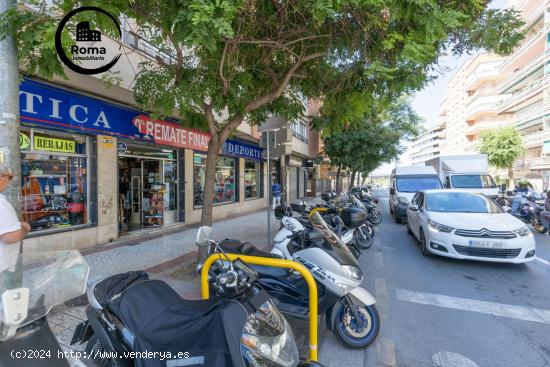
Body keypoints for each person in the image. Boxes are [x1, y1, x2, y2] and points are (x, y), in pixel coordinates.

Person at [0, 166, 31, 273]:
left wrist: (16, 224)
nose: (8, 183)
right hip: (3, 267)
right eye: (9, 178)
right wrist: (25, 228)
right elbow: (9, 237)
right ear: (1, 178)